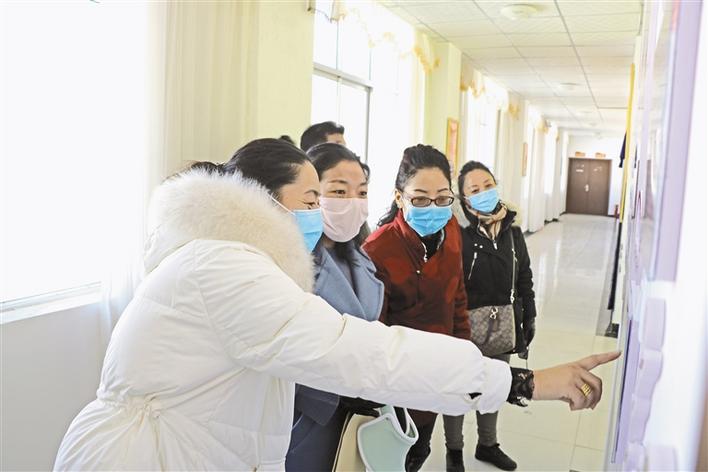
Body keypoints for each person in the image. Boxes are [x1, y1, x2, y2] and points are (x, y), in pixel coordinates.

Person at [54, 138, 618, 471]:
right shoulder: (223, 266)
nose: (320, 214)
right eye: (311, 200)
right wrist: (521, 382)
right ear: (260, 202)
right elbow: (359, 350)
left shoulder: (227, 259)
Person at [361, 144, 474, 472]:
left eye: (443, 198)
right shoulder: (378, 249)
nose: (433, 208)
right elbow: (374, 337)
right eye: (421, 199)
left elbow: (458, 296)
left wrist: (464, 353)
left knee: (421, 449)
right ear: (399, 198)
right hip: (396, 386)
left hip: (438, 373)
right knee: (395, 459)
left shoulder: (450, 230)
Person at [285, 143, 384, 471]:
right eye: (339, 192)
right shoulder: (291, 262)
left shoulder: (361, 258)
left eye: (362, 192)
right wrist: (337, 393)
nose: (353, 202)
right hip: (309, 415)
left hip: (354, 418)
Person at [443, 161, 538, 471]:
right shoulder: (457, 232)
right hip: (463, 325)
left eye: (488, 185)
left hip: (503, 322)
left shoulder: (512, 231)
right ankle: (454, 450)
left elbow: (523, 276)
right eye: (474, 189)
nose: (483, 192)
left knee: (495, 386)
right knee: (459, 389)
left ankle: (487, 444)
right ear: (464, 198)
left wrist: (529, 316)